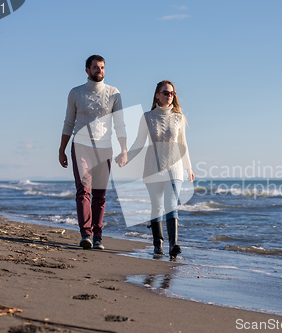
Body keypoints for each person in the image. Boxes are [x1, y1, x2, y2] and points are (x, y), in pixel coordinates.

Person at [117, 80, 194, 259]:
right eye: (166, 93)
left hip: (175, 170)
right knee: (157, 206)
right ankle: (158, 244)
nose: (169, 96)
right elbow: (139, 142)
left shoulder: (179, 118)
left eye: (172, 93)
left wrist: (188, 167)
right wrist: (126, 156)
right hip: (152, 169)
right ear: (157, 95)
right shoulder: (147, 117)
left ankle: (174, 245)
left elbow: (183, 144)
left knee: (171, 206)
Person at [59, 55, 128, 250]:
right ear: (87, 70)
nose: (100, 71)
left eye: (102, 67)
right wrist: (62, 149)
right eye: (96, 67)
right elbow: (68, 122)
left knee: (100, 194)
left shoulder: (114, 93)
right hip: (81, 145)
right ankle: (86, 234)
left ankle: (98, 236)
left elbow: (120, 124)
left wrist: (124, 150)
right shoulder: (75, 93)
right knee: (83, 190)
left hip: (104, 147)